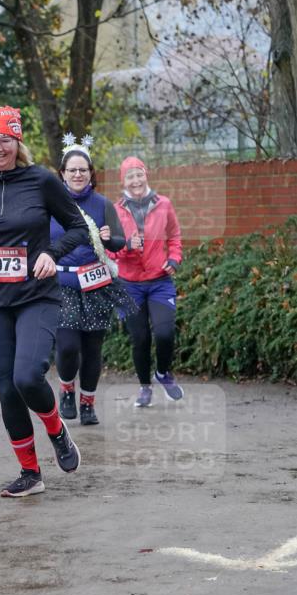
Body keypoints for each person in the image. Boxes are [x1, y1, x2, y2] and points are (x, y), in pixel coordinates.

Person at [0, 107, 89, 498]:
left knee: (27, 376)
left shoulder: (41, 180)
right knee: (7, 388)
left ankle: (56, 430)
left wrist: (52, 253)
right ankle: (30, 473)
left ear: (18, 142)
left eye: (5, 140)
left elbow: (79, 228)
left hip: (36, 294)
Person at [51, 135, 138, 425]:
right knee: (67, 345)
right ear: (62, 173)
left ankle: (87, 402)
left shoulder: (102, 204)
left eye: (83, 170)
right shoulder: (50, 203)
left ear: (91, 173)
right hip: (61, 283)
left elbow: (119, 242)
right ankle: (66, 389)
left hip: (96, 283)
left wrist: (109, 238)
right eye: (72, 170)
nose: (78, 174)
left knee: (92, 347)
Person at [114, 156, 184, 407]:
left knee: (165, 333)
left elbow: (174, 235)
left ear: (146, 175)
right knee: (140, 338)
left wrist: (174, 258)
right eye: (130, 176)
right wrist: (126, 245)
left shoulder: (163, 204)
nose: (135, 181)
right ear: (123, 181)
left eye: (139, 174)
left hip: (159, 282)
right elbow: (109, 248)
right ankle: (145, 387)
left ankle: (163, 373)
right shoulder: (115, 210)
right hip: (129, 285)